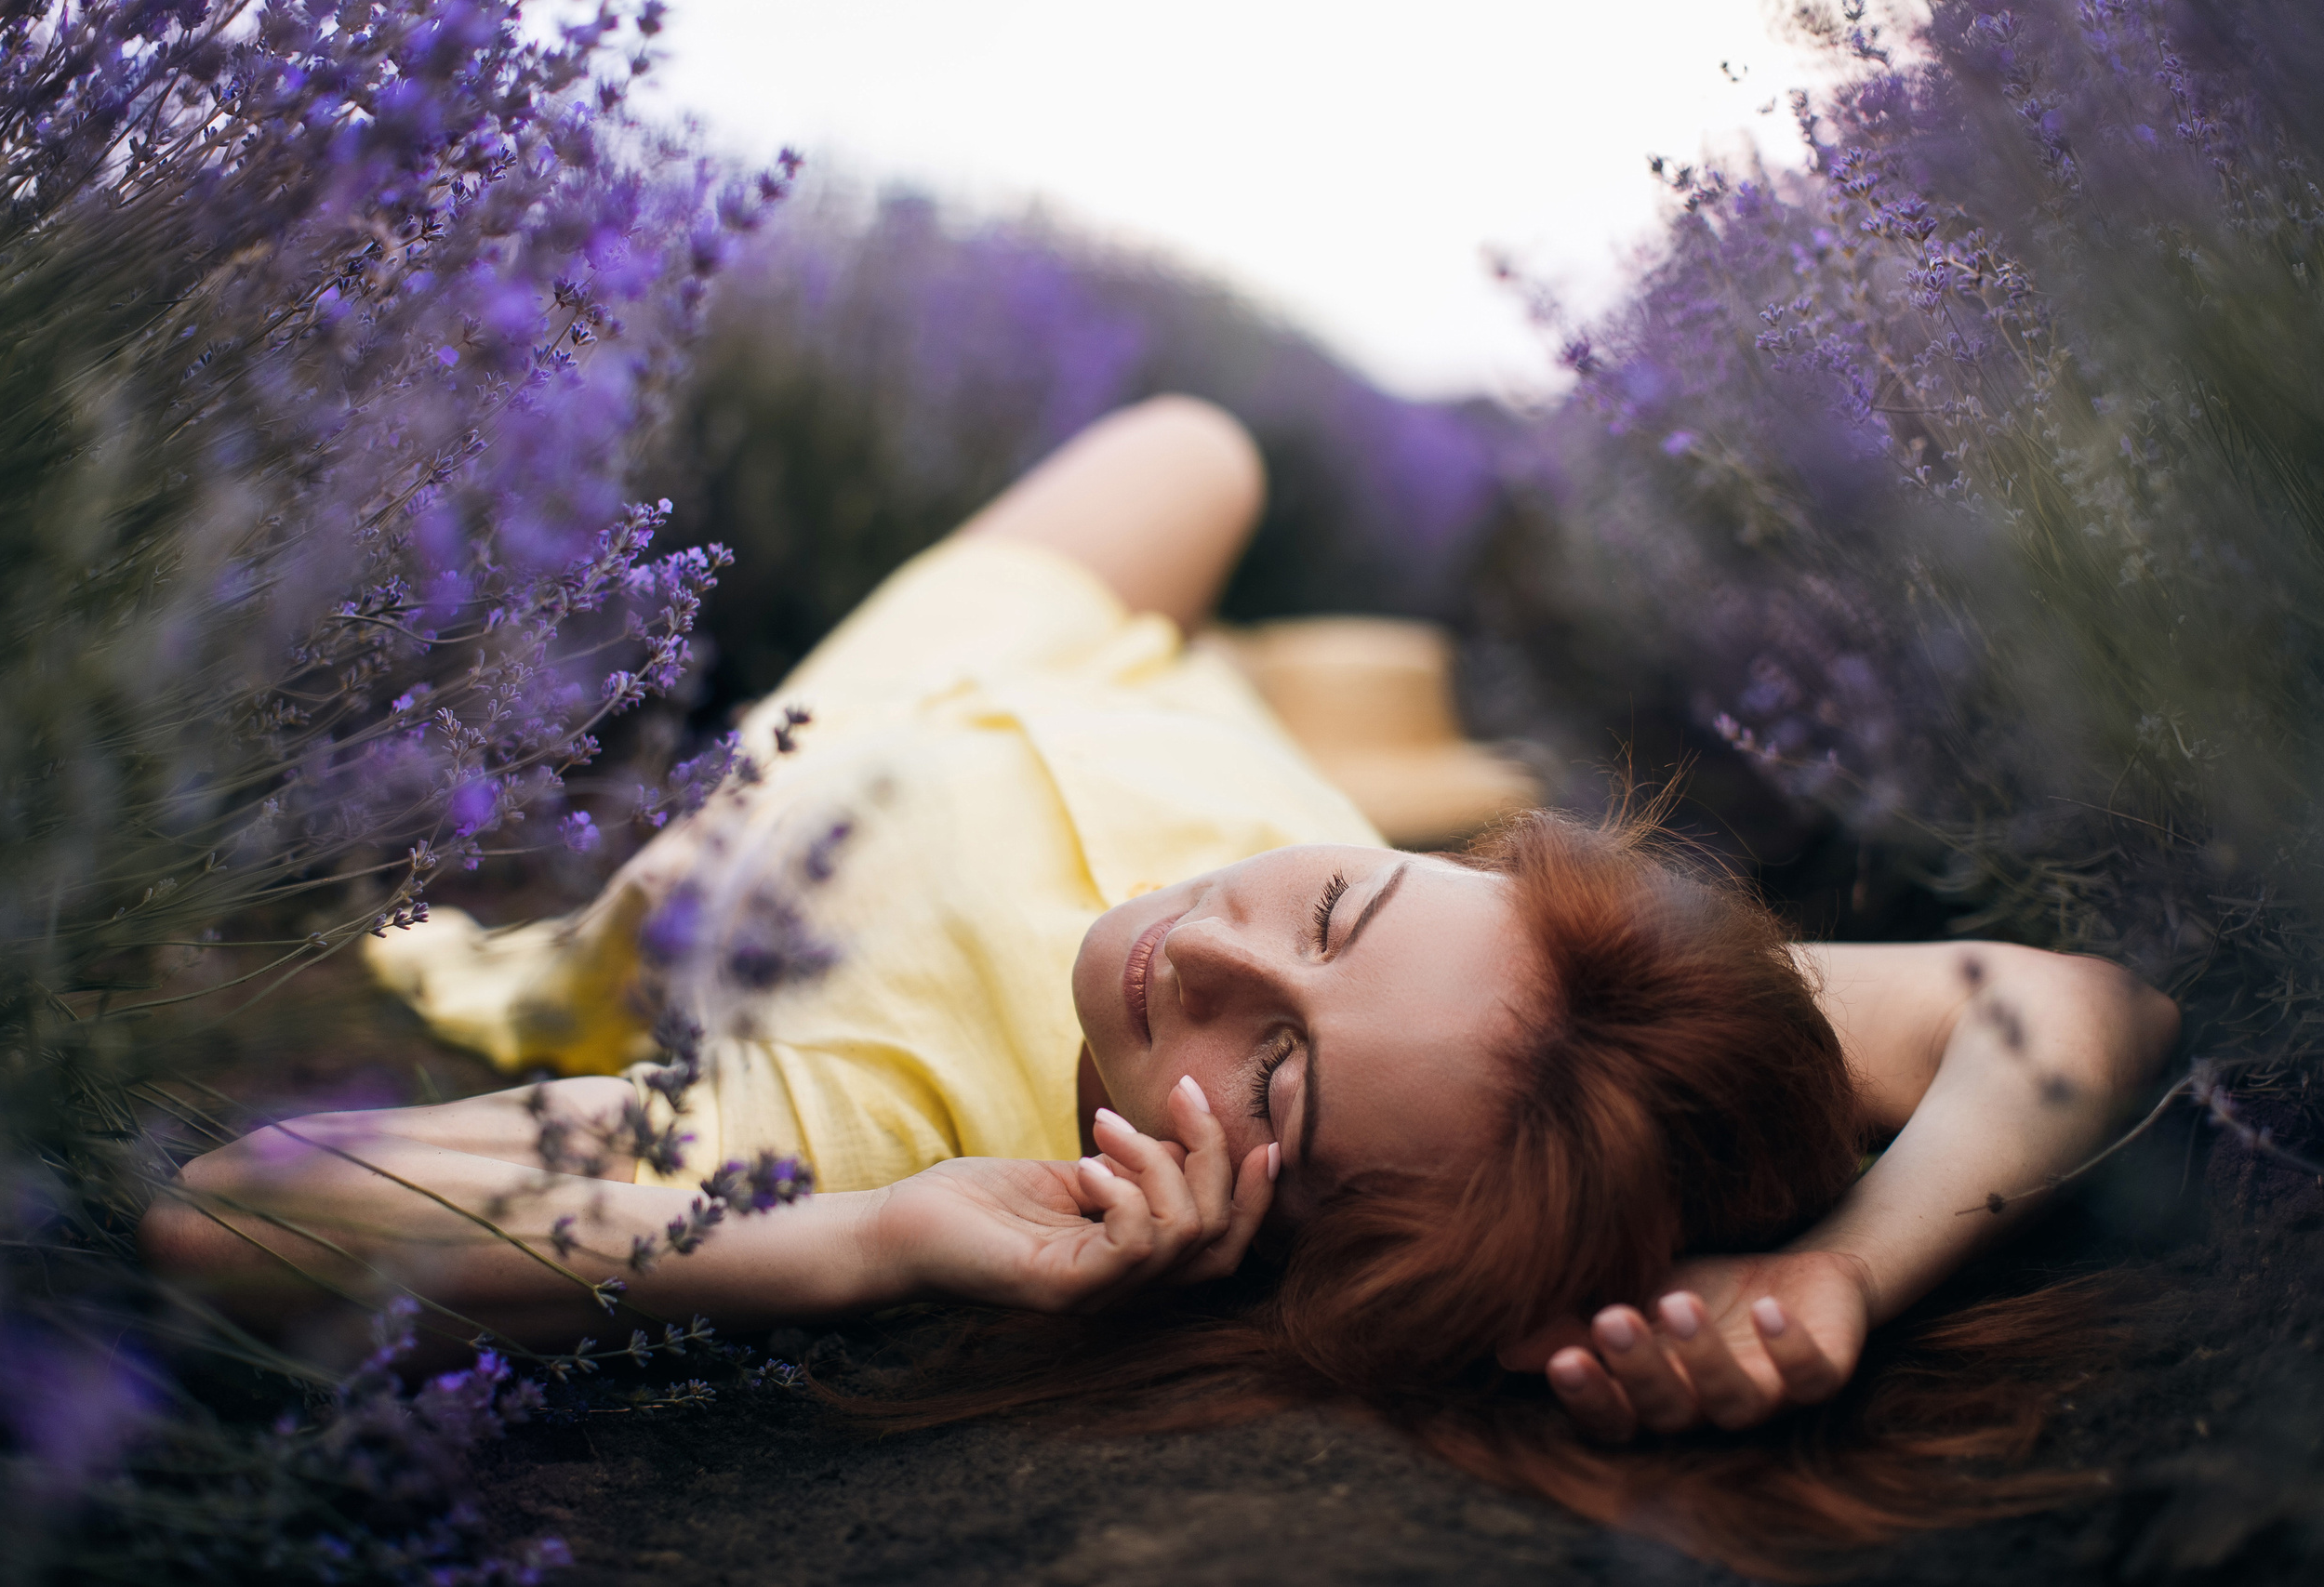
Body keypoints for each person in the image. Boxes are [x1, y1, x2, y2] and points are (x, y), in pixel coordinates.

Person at [142, 397, 2181, 1566]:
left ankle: (1349, 722)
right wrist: (1842, 1272)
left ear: (1289, 1246)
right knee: (1196, 444)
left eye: (1261, 1082)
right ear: (1469, 880)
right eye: (1338, 915)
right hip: (1096, 676)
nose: (1184, 945)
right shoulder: (1543, 1002)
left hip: (847, 722)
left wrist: (850, 1246)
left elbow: (235, 1200)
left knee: (1190, 488)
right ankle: (1347, 736)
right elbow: (2070, 1004)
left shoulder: (873, 1123)